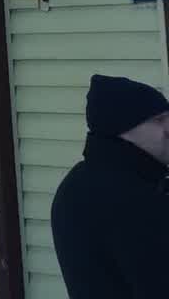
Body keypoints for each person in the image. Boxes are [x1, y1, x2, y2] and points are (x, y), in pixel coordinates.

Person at [51, 74, 169, 297]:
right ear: (123, 130)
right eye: (158, 120)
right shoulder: (130, 199)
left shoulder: (77, 183)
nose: (168, 129)